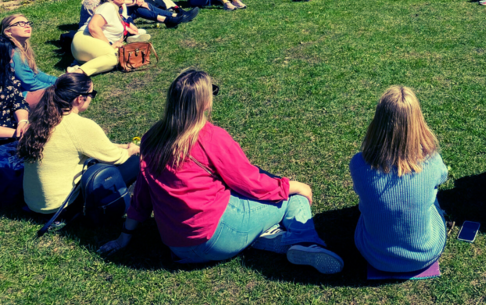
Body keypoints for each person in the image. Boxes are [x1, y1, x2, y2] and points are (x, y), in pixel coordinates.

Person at [98, 69, 343, 273]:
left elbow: (142, 193)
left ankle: (272, 239)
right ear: (204, 102)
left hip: (178, 247)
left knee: (246, 203)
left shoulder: (152, 137)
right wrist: (291, 186)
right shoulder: (211, 137)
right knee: (293, 198)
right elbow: (249, 182)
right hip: (213, 237)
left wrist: (124, 236)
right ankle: (306, 241)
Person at [350, 86, 448, 273]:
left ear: (378, 122)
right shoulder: (432, 161)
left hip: (374, 255)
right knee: (433, 198)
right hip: (426, 253)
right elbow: (443, 177)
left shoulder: (359, 164)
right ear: (418, 121)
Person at [18, 72, 140, 215]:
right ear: (79, 99)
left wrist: (122, 146)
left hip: (35, 203)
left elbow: (91, 145)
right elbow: (115, 157)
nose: (92, 98)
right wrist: (131, 150)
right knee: (136, 163)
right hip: (61, 206)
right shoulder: (80, 125)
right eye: (91, 94)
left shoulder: (41, 119)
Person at [69, 0, 145, 76]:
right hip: (84, 39)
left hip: (90, 45)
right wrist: (109, 46)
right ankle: (76, 73)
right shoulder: (108, 6)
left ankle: (79, 66)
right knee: (113, 58)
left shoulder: (115, 9)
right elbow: (93, 27)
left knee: (127, 55)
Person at [1, 14, 57, 107]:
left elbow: (37, 73)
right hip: (14, 98)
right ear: (8, 31)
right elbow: (29, 83)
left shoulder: (22, 49)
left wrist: (60, 81)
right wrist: (57, 87)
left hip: (24, 91)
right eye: (20, 23)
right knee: (63, 94)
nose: (27, 26)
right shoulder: (13, 52)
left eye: (27, 23)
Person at [0, 38, 29, 142]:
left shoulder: (6, 71)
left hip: (14, 131)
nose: (11, 61)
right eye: (9, 58)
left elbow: (17, 99)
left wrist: (22, 122)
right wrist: (17, 133)